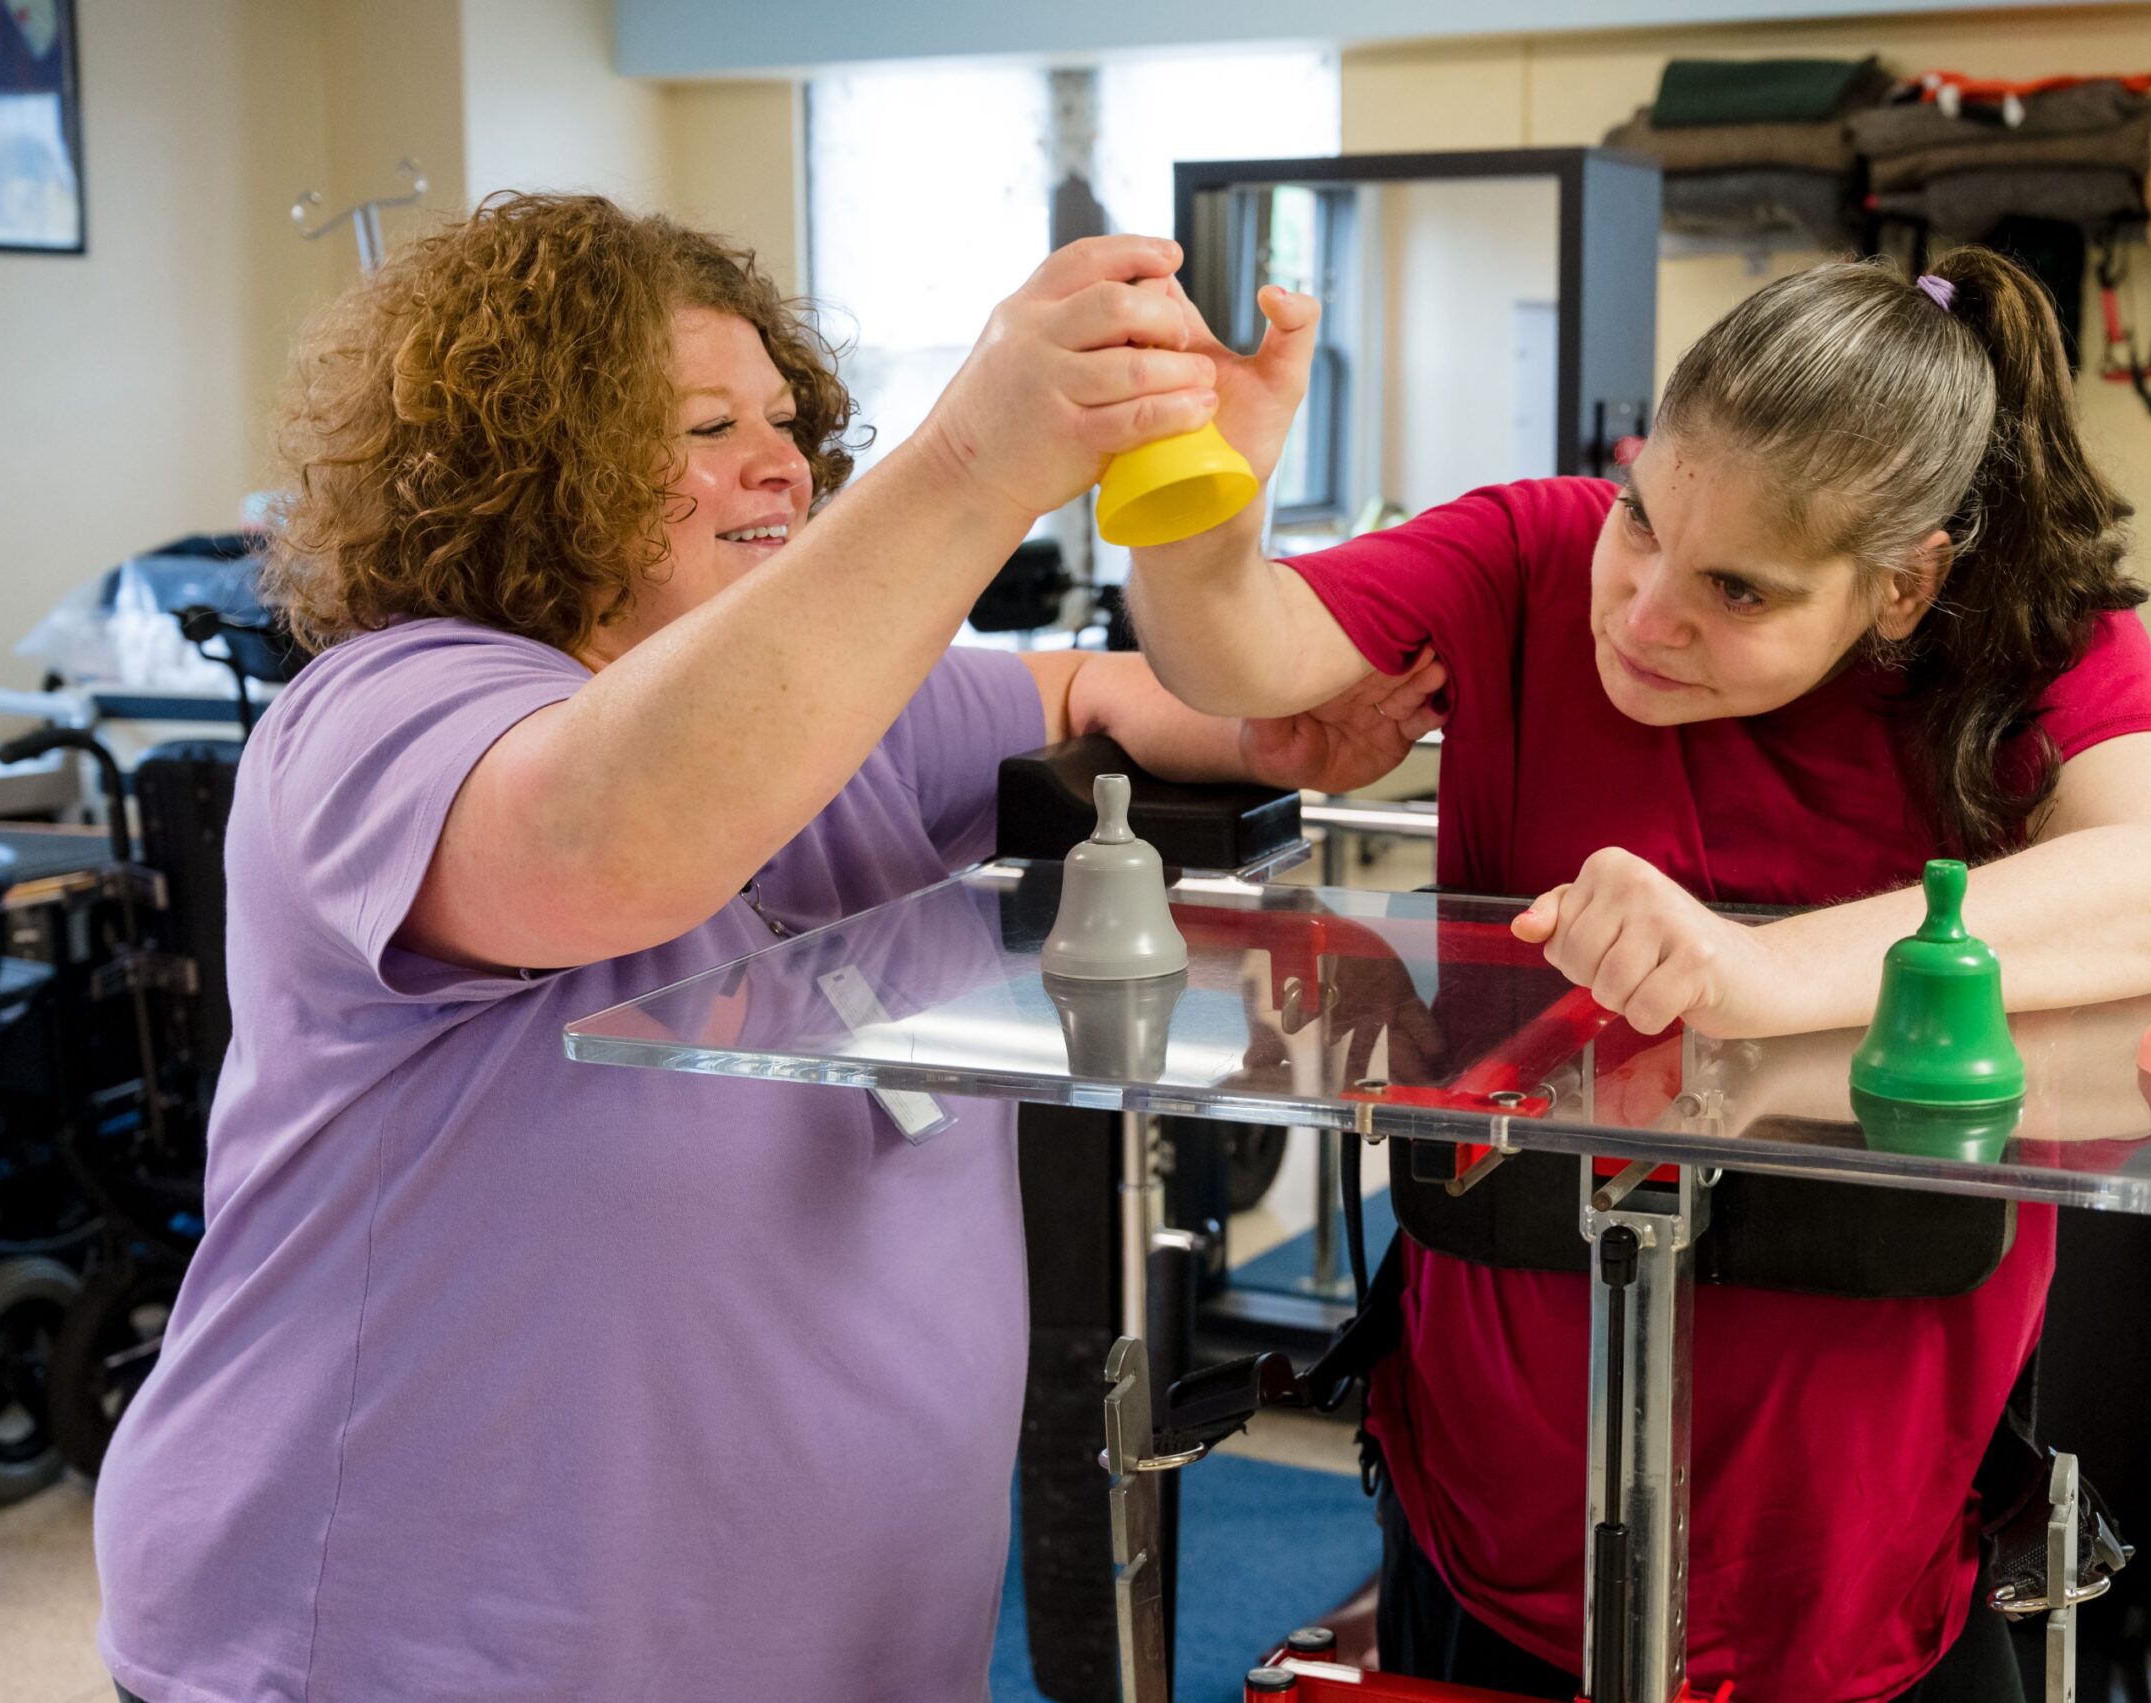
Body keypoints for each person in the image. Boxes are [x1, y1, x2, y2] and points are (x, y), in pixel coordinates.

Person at [90, 194, 1443, 1703]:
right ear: (526, 467)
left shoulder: (846, 710)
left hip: (837, 1645)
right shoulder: (382, 713)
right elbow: (607, 845)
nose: (782, 460)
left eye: (787, 417)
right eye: (702, 425)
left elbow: (1110, 693)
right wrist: (974, 463)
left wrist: (1246, 610)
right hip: (409, 1650)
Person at [1123, 250, 2151, 1702]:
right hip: (1501, 1469)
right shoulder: (1529, 548)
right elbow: (1233, 654)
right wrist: (1209, 509)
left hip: (1856, 1499)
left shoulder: (2024, 634)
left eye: (1739, 590)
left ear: (1903, 586)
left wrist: (1756, 971)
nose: (1645, 611)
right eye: (1642, 518)